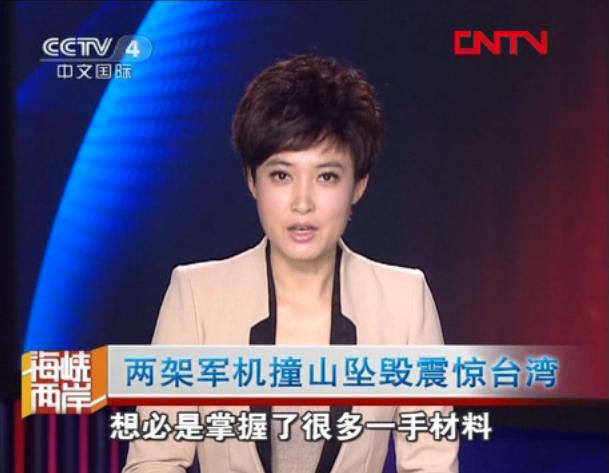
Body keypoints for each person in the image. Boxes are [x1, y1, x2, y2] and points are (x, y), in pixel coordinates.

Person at [123, 54, 459, 473]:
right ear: (252, 180)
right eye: (281, 175)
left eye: (326, 176)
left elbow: (431, 463)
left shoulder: (403, 301)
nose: (302, 203)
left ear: (359, 184)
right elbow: (154, 461)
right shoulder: (196, 297)